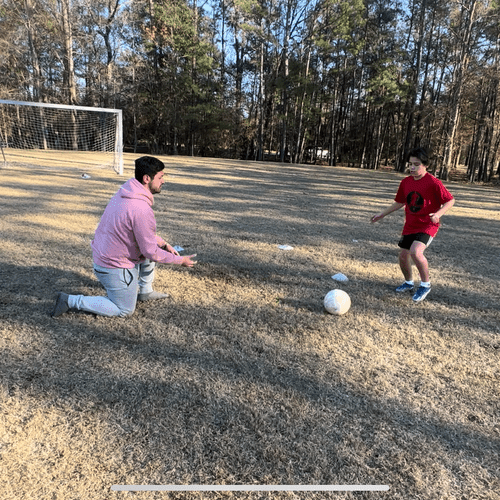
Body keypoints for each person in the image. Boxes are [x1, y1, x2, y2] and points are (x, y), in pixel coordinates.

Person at [52, 156, 197, 318]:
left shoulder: (126, 193)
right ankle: (71, 301)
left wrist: (163, 244)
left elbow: (142, 234)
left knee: (153, 247)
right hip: (113, 266)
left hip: (106, 257)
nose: (163, 181)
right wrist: (180, 260)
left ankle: (145, 291)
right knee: (124, 310)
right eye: (160, 177)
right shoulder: (139, 208)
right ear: (147, 178)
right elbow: (150, 251)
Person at [370, 147, 455, 302]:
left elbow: (450, 200)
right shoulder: (406, 182)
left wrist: (438, 214)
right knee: (403, 256)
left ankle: (425, 284)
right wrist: (382, 214)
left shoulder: (433, 182)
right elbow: (400, 202)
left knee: (416, 252)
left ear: (425, 165)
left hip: (427, 225)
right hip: (410, 224)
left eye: (416, 164)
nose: (412, 167)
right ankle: (408, 282)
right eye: (410, 164)